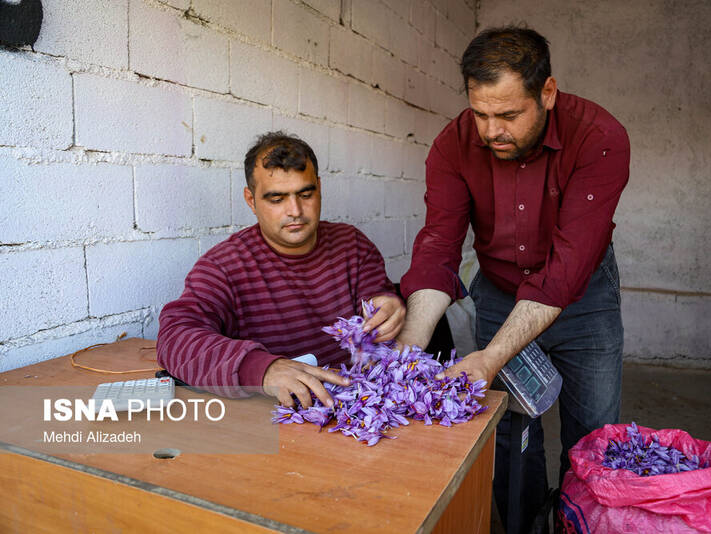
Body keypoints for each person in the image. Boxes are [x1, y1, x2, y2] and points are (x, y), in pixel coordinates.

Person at [397, 26, 630, 533]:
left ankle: (577, 522)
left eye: (507, 115)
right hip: (501, 289)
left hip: (583, 296)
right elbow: (438, 248)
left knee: (593, 430)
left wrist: (491, 356)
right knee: (505, 427)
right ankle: (525, 525)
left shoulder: (599, 137)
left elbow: (566, 271)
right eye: (480, 114)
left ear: (547, 92)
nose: (491, 131)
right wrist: (408, 349)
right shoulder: (453, 144)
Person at [157, 131, 405, 406]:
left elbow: (377, 296)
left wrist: (387, 307)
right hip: (276, 423)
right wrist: (262, 369)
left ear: (319, 188)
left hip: (357, 407)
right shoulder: (223, 267)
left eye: (306, 194)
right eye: (277, 199)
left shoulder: (353, 245)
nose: (295, 210)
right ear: (251, 200)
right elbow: (175, 337)